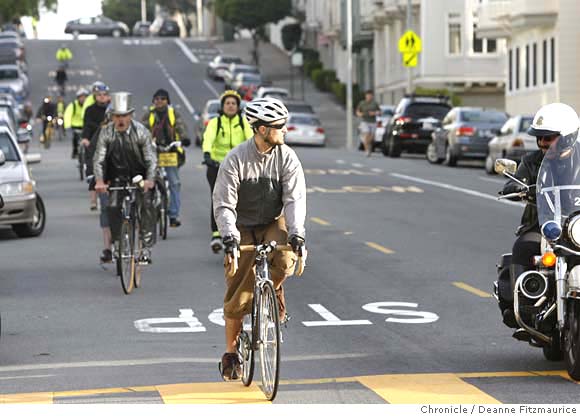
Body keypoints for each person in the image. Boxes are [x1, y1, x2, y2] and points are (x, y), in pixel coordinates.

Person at [213, 97, 307, 380]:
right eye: (279, 126)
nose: (285, 130)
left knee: (286, 257)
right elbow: (224, 204)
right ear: (262, 129)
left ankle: (272, 288)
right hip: (241, 225)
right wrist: (229, 237)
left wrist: (297, 233)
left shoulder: (288, 157)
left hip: (272, 220)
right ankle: (231, 353)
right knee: (237, 290)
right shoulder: (236, 159)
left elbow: (294, 199)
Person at [499, 103, 580, 327]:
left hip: (576, 226)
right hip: (544, 224)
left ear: (569, 137)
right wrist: (516, 188)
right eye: (540, 137)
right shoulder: (531, 161)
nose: (543, 142)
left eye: (550, 137)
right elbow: (516, 182)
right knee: (523, 247)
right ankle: (524, 307)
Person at [93, 92, 157, 265]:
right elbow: (98, 159)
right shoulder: (106, 133)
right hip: (117, 177)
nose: (120, 120)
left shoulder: (141, 132)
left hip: (140, 177)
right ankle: (117, 243)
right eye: (117, 116)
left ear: (130, 116)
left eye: (124, 116)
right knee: (112, 207)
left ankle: (145, 248)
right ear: (112, 117)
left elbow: (151, 159)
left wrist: (150, 180)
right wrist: (99, 181)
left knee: (146, 206)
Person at [203, 90, 253, 253]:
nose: (230, 106)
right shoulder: (215, 123)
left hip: (239, 168)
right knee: (218, 199)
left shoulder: (244, 122)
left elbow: (251, 141)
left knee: (240, 201)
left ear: (238, 107)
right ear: (222, 106)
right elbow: (208, 140)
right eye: (227, 103)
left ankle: (237, 232)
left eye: (233, 104)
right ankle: (217, 234)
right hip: (217, 167)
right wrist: (207, 155)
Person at [141, 88, 189, 227]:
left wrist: (184, 138)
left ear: (167, 101)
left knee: (174, 183)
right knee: (149, 183)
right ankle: (148, 212)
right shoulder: (148, 115)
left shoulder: (173, 114)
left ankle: (173, 215)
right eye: (156, 99)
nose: (159, 101)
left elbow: (181, 127)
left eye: (162, 99)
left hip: (171, 152)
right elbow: (142, 129)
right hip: (153, 152)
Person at [64, 88, 88, 158]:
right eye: (81, 97)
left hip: (86, 126)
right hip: (75, 126)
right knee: (75, 139)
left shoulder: (89, 105)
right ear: (78, 98)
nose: (83, 99)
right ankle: (75, 152)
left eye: (85, 97)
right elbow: (67, 115)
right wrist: (67, 126)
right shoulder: (73, 105)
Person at [355, 89, 380, 157]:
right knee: (367, 133)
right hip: (365, 121)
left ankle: (366, 144)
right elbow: (357, 111)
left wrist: (374, 113)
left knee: (372, 137)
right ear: (365, 96)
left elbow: (379, 112)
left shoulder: (375, 103)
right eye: (368, 95)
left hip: (373, 122)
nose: (369, 96)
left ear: (372, 96)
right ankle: (367, 151)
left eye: (370, 95)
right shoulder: (362, 103)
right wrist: (360, 114)